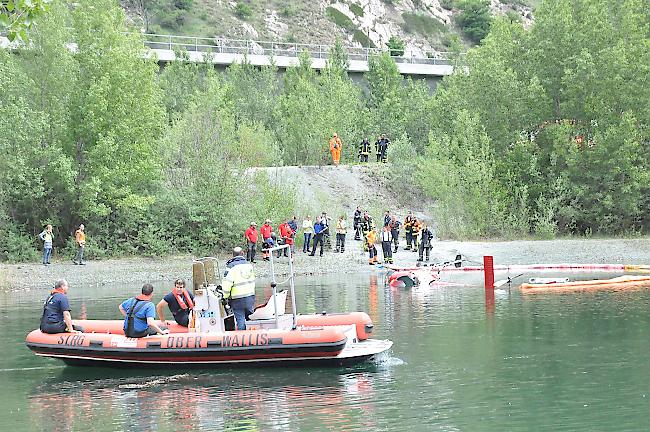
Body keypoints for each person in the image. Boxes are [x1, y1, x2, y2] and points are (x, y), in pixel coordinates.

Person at [221, 247, 256, 330]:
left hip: (237, 299)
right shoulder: (248, 265)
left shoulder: (230, 267)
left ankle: (242, 339)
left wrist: (225, 297)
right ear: (243, 253)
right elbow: (252, 280)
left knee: (240, 320)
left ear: (232, 255)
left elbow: (227, 284)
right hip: (250, 297)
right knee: (251, 318)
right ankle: (253, 337)